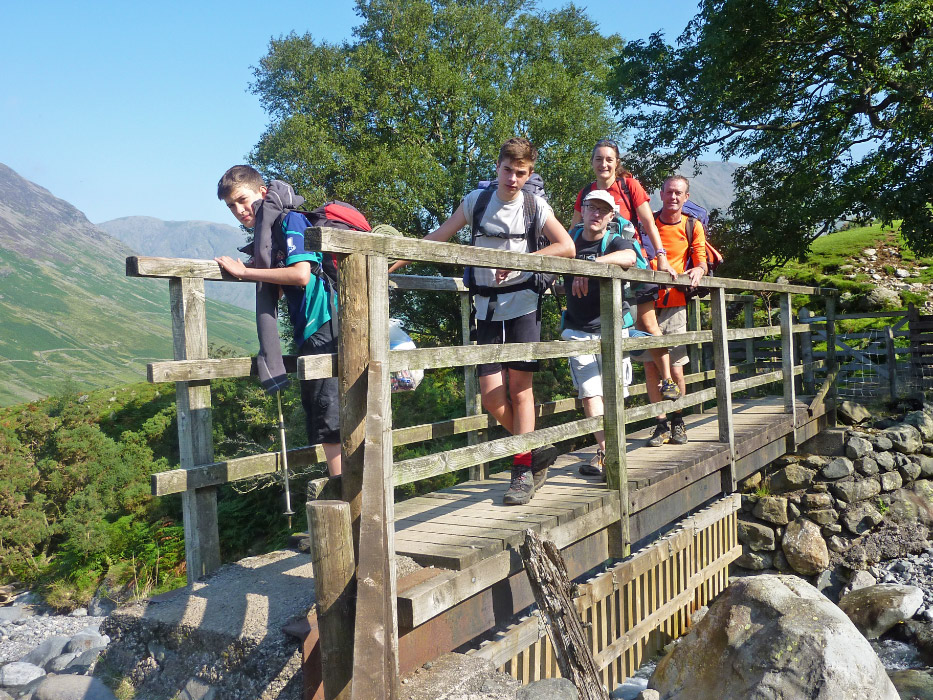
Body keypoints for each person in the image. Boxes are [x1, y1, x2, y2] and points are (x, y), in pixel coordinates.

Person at [388, 138, 575, 505]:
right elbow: (440, 237)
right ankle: (535, 448)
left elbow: (566, 246)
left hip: (523, 305)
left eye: (521, 173)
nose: (513, 179)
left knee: (520, 391)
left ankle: (521, 470)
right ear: (497, 167)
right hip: (486, 309)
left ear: (529, 173)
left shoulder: (536, 206)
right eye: (508, 170)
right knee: (490, 397)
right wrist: (395, 263)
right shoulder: (477, 201)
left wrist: (522, 262)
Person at [214, 165, 343, 477]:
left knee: (328, 412)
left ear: (262, 192)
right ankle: (348, 491)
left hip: (322, 324)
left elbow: (300, 275)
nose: (239, 210)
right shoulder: (271, 230)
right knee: (323, 408)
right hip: (315, 326)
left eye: (242, 200)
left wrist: (246, 272)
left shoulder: (290, 220)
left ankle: (347, 494)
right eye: (231, 206)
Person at [571, 140, 682, 403]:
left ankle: (666, 378)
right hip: (601, 274)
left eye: (609, 159)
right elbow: (573, 233)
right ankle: (612, 392)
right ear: (592, 162)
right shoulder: (586, 193)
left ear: (617, 162)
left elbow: (647, 222)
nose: (604, 164)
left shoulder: (629, 186)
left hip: (632, 264)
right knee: (608, 323)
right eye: (598, 159)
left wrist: (662, 258)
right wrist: (573, 267)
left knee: (647, 323)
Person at [562, 189, 652, 477]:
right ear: (584, 210)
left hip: (614, 328)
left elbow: (629, 257)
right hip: (578, 329)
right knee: (590, 392)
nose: (596, 214)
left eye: (603, 210)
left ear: (611, 216)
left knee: (615, 393)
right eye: (591, 208)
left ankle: (609, 450)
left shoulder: (615, 241)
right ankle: (606, 451)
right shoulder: (570, 239)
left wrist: (590, 266)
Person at [645, 175, 708, 447]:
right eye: (669, 192)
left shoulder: (692, 225)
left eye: (678, 193)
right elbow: (639, 253)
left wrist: (699, 269)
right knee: (649, 367)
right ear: (661, 193)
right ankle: (660, 424)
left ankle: (678, 421)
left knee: (676, 368)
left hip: (674, 305)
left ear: (686, 197)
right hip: (646, 302)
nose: (673, 197)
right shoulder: (649, 223)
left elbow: (701, 258)